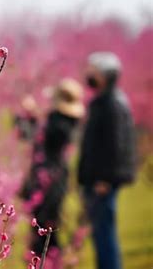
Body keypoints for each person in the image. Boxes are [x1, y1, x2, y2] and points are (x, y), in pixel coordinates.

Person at [78, 51, 137, 269]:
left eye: (92, 71)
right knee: (100, 233)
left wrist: (104, 179)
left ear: (104, 76)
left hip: (102, 183)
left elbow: (116, 146)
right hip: (96, 180)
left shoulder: (112, 104)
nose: (88, 75)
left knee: (104, 234)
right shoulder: (104, 102)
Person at [21, 78, 85, 264]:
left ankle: (47, 261)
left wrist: (32, 116)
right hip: (51, 178)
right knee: (44, 225)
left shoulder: (61, 122)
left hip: (50, 180)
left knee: (46, 225)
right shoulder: (63, 120)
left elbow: (40, 136)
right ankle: (45, 261)